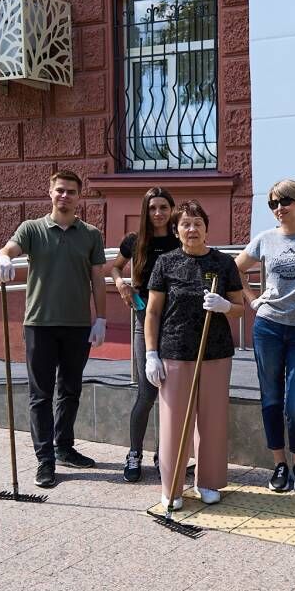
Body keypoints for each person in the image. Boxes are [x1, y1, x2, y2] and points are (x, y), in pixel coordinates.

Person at [0, 170, 107, 489]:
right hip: (39, 324)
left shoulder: (90, 234)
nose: (65, 196)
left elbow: (98, 278)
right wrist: (2, 257)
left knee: (70, 389)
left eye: (71, 191)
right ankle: (45, 460)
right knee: (40, 394)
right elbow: (12, 248)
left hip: (77, 325)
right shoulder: (32, 229)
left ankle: (64, 447)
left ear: (79, 196)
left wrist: (101, 318)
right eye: (60, 190)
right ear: (50, 193)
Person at [143, 200, 244, 509]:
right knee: (174, 422)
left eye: (197, 223)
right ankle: (171, 487)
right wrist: (151, 353)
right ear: (176, 230)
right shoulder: (166, 263)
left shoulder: (224, 264)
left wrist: (226, 307)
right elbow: (152, 312)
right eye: (185, 224)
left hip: (215, 352)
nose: (191, 229)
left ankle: (209, 482)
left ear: (206, 228)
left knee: (212, 420)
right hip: (174, 352)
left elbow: (240, 309)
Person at [235, 180, 295, 493]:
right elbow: (235, 268)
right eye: (273, 203)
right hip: (268, 326)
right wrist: (251, 299)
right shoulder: (265, 239)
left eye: (285, 201)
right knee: (271, 398)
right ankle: (279, 464)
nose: (278, 208)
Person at [110, 187, 179, 482]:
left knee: (173, 391)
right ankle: (134, 452)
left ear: (172, 209)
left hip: (176, 325)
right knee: (148, 391)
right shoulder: (135, 241)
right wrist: (121, 283)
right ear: (146, 211)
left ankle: (165, 452)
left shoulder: (179, 241)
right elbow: (113, 267)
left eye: (164, 207)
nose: (158, 213)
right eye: (153, 208)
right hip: (144, 321)